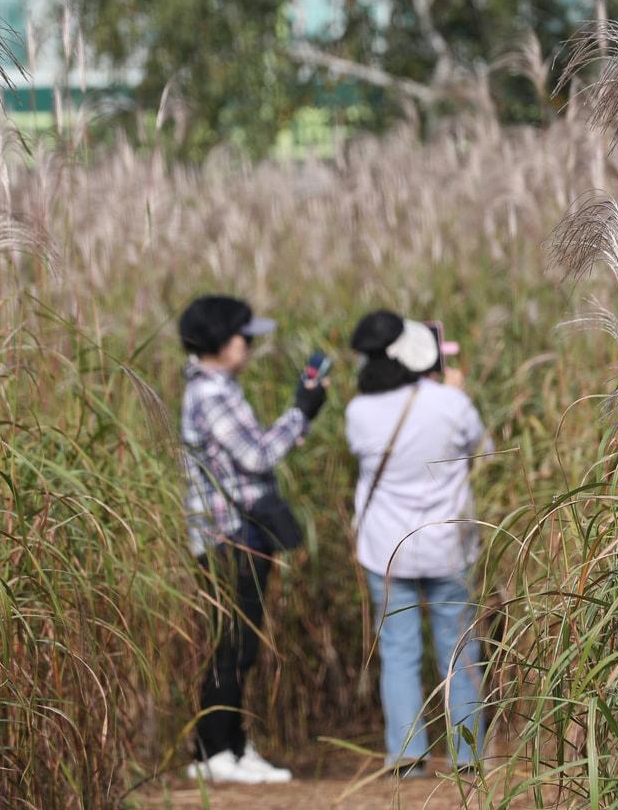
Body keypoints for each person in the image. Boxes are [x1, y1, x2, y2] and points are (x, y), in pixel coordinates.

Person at [177, 295, 328, 785]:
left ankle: (230, 746)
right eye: (245, 336)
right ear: (220, 340)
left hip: (234, 536)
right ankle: (214, 751)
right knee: (232, 643)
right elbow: (257, 456)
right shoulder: (212, 394)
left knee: (239, 644)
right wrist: (301, 412)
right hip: (228, 539)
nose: (251, 345)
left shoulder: (217, 388)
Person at [346, 310, 490, 777]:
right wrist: (456, 392)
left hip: (387, 549)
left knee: (399, 652)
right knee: (460, 649)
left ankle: (408, 757)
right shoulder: (448, 403)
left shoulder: (358, 411)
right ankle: (467, 755)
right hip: (449, 545)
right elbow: (483, 449)